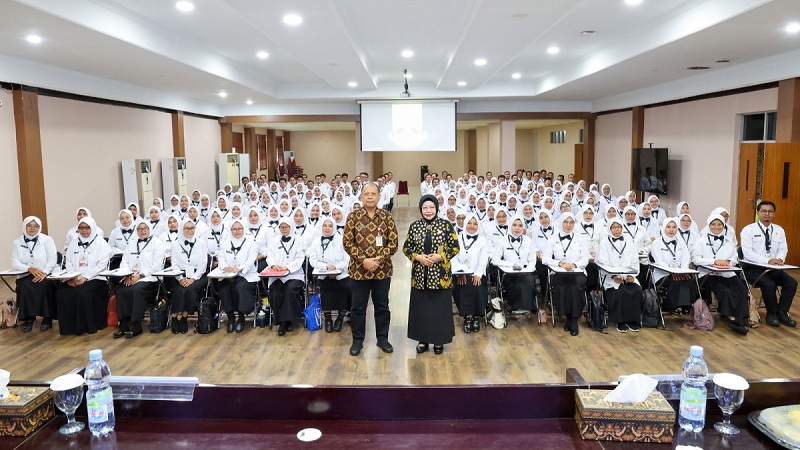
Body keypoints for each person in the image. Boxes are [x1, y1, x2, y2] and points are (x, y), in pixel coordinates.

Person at [342, 182, 399, 356]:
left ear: (379, 197)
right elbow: (347, 243)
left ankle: (382, 339)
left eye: (373, 194)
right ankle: (357, 341)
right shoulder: (353, 217)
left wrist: (378, 261)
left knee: (382, 306)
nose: (370, 196)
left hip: (382, 271)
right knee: (358, 308)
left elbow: (394, 243)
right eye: (366, 194)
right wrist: (364, 260)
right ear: (361, 196)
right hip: (359, 272)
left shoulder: (386, 217)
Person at [403, 195, 459, 354]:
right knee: (421, 309)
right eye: (425, 208)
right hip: (420, 276)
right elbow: (407, 248)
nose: (428, 211)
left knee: (438, 309)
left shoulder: (446, 225)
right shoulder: (414, 226)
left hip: (440, 276)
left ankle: (439, 340)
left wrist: (440, 257)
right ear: (421, 209)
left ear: (436, 208)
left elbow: (455, 247)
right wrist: (417, 257)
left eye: (431, 207)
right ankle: (423, 339)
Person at [740, 200, 797, 327]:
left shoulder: (779, 230)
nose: (767, 214)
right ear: (758, 213)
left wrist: (780, 259)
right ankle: (772, 313)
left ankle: (783, 312)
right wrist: (767, 261)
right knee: (769, 284)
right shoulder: (748, 230)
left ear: (774, 214)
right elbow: (747, 253)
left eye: (770, 211)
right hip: (752, 267)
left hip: (773, 267)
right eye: (764, 211)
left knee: (791, 283)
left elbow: (783, 249)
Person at [692, 214, 749, 335]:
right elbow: (696, 259)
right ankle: (730, 316)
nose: (716, 227)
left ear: (724, 226)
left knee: (742, 289)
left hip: (726, 273)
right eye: (713, 224)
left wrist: (728, 262)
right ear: (708, 225)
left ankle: (740, 319)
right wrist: (714, 262)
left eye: (719, 224)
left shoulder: (729, 241)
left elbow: (735, 258)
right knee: (724, 290)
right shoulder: (701, 240)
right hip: (708, 274)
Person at [57, 217, 112, 335]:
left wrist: (85, 277)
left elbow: (101, 265)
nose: (84, 230)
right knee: (62, 293)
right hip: (76, 278)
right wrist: (73, 277)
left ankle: (87, 326)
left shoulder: (101, 243)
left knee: (82, 293)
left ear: (92, 228)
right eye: (81, 228)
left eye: (87, 228)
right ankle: (70, 328)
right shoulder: (73, 243)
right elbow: (69, 262)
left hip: (96, 278)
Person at [114, 220, 166, 338]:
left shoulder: (157, 243)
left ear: (149, 229)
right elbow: (125, 262)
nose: (142, 231)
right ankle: (123, 324)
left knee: (136, 290)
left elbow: (157, 265)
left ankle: (137, 324)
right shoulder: (132, 243)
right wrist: (128, 275)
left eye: (145, 228)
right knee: (121, 290)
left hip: (149, 279)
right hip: (131, 277)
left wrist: (140, 276)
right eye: (139, 229)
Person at [543, 212, 589, 336]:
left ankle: (573, 319)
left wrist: (574, 265)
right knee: (562, 287)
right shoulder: (552, 238)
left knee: (575, 287)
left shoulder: (581, 239)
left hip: (577, 272)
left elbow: (585, 259)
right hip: (558, 272)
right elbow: (545, 259)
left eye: (571, 222)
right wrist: (560, 263)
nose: (568, 225)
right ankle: (567, 316)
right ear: (561, 223)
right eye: (565, 222)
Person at [596, 218, 644, 333]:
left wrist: (631, 275)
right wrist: (613, 276)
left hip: (627, 276)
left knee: (636, 290)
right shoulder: (604, 244)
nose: (616, 230)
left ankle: (632, 320)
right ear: (609, 229)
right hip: (610, 278)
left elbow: (634, 261)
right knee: (620, 292)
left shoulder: (629, 242)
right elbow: (602, 263)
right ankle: (620, 321)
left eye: (619, 227)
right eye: (614, 227)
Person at [11, 216, 58, 332]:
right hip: (26, 273)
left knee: (45, 285)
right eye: (29, 226)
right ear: (24, 227)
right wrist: (29, 268)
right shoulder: (17, 242)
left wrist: (44, 273)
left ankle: (47, 318)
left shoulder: (47, 240)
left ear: (40, 227)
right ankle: (28, 318)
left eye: (36, 226)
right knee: (24, 286)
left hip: (46, 273)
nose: (32, 228)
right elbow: (14, 261)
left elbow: (53, 259)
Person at [308, 217, 351, 333]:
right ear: (321, 227)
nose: (327, 228)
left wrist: (335, 268)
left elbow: (347, 259)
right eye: (325, 226)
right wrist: (326, 267)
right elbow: (313, 261)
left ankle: (340, 317)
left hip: (341, 273)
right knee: (325, 287)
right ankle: (327, 318)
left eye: (330, 226)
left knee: (347, 287)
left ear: (334, 227)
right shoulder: (316, 242)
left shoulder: (342, 240)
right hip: (323, 274)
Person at [265, 217, 306, 336]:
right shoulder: (273, 241)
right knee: (275, 292)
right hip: (277, 275)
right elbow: (269, 256)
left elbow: (300, 258)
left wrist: (287, 267)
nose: (284, 229)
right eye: (281, 227)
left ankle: (289, 321)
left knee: (290, 290)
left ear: (291, 227)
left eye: (286, 227)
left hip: (294, 274)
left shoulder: (299, 241)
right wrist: (274, 265)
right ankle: (283, 321)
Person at [167, 218, 209, 334]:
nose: (190, 231)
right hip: (180, 274)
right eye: (187, 228)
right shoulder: (175, 244)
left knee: (191, 289)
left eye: (192, 228)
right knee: (178, 290)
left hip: (198, 275)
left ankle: (184, 317)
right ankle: (174, 317)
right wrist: (180, 278)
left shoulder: (201, 243)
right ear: (181, 229)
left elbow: (203, 264)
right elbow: (174, 264)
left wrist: (193, 278)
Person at [217, 218, 259, 333]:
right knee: (223, 287)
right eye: (234, 229)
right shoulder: (225, 244)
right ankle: (230, 317)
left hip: (246, 275)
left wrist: (239, 268)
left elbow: (250, 261)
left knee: (240, 287)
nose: (237, 231)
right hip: (228, 274)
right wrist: (225, 267)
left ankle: (241, 317)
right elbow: (221, 258)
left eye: (239, 229)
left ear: (243, 229)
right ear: (230, 230)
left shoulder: (251, 244)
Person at [650, 217, 698, 314]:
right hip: (663, 274)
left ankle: (687, 305)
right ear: (663, 228)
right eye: (668, 227)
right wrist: (673, 272)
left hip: (680, 272)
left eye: (674, 227)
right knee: (676, 282)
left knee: (690, 281)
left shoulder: (681, 242)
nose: (671, 230)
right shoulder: (656, 243)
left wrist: (683, 271)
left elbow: (686, 258)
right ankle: (669, 306)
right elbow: (659, 261)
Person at [493, 216, 538, 315]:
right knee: (516, 283)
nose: (517, 228)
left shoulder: (528, 241)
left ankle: (513, 305)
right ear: (510, 225)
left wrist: (528, 270)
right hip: (508, 273)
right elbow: (495, 260)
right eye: (514, 225)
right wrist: (510, 264)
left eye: (520, 225)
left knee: (529, 281)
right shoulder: (502, 240)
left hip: (526, 272)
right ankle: (517, 305)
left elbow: (532, 260)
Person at [451, 214, 488, 334]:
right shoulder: (456, 237)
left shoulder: (482, 240)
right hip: (460, 273)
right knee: (462, 284)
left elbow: (483, 259)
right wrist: (460, 272)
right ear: (465, 224)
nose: (472, 226)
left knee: (476, 285)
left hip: (477, 273)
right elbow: (453, 257)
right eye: (469, 223)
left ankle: (476, 316)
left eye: (475, 223)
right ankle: (467, 317)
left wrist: (477, 273)